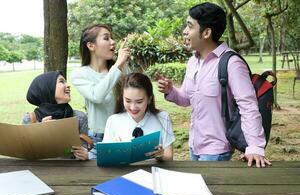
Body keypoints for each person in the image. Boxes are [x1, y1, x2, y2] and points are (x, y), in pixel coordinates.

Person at [157, 2, 271, 167]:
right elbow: (186, 98)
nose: (184, 31)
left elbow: (248, 106)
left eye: (190, 26)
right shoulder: (193, 62)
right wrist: (170, 91)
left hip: (217, 151)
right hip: (195, 146)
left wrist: (255, 147)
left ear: (206, 33)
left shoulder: (231, 63)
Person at [70, 24, 131, 159]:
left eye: (112, 38)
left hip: (124, 134)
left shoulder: (121, 69)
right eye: (106, 38)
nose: (113, 42)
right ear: (91, 46)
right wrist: (118, 65)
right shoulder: (79, 74)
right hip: (98, 138)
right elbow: (96, 95)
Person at [103, 73, 175, 161]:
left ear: (149, 99)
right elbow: (106, 158)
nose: (133, 107)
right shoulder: (113, 121)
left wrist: (160, 156)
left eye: (139, 102)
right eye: (128, 101)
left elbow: (169, 157)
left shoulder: (162, 118)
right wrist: (113, 151)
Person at [22, 71, 90, 160]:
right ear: (47, 88)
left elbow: (81, 151)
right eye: (62, 81)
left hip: (70, 171)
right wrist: (40, 132)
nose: (68, 85)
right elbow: (26, 154)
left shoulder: (79, 117)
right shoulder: (30, 119)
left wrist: (84, 154)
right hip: (40, 170)